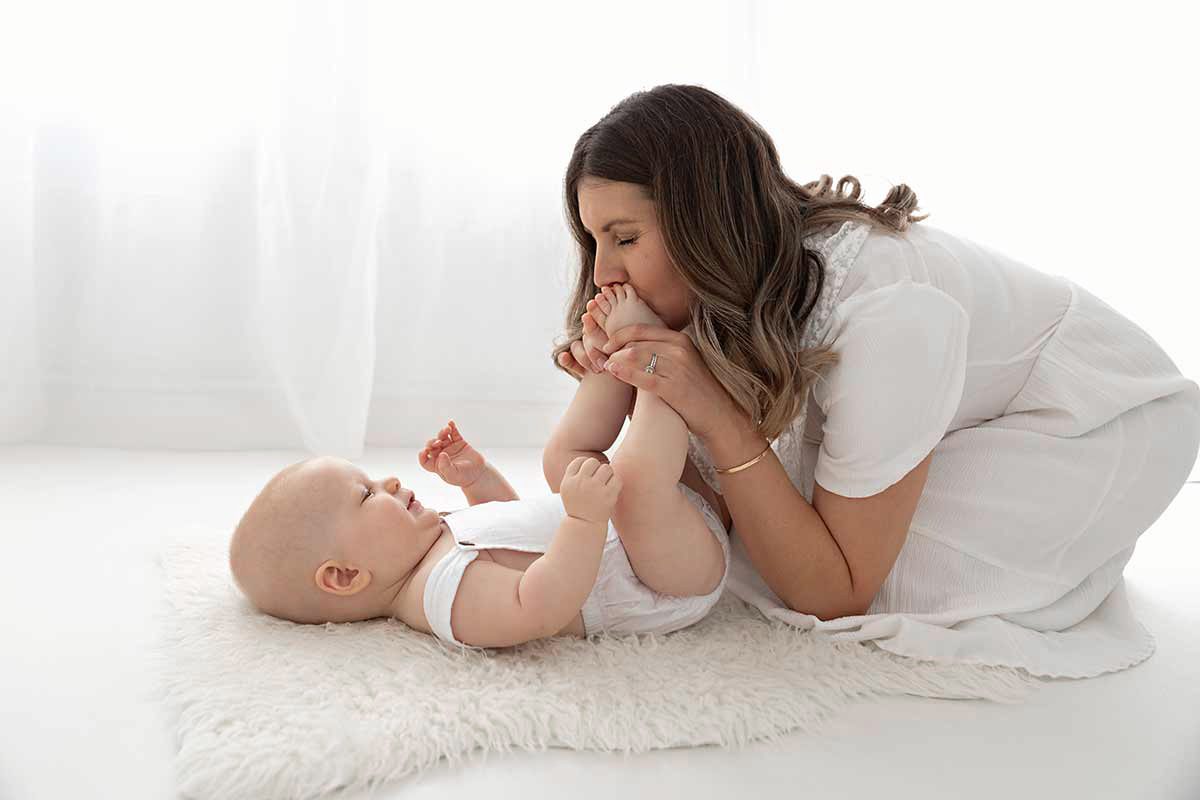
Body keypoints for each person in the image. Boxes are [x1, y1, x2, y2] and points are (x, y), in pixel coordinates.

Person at [552, 83, 1200, 678]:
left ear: (707, 222)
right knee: (763, 529)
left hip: (1094, 415)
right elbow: (699, 504)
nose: (604, 271)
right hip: (961, 384)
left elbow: (836, 593)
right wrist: (645, 380)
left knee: (862, 583)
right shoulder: (733, 288)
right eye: (594, 241)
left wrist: (714, 412)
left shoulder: (887, 308)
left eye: (625, 238)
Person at [228, 285, 731, 649]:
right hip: (668, 579)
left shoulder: (428, 548)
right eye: (365, 494)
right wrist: (582, 520)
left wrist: (476, 480)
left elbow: (514, 535)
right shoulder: (441, 598)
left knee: (561, 460)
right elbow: (539, 605)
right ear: (344, 576)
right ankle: (656, 364)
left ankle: (610, 366)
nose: (389, 480)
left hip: (648, 534)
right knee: (635, 483)